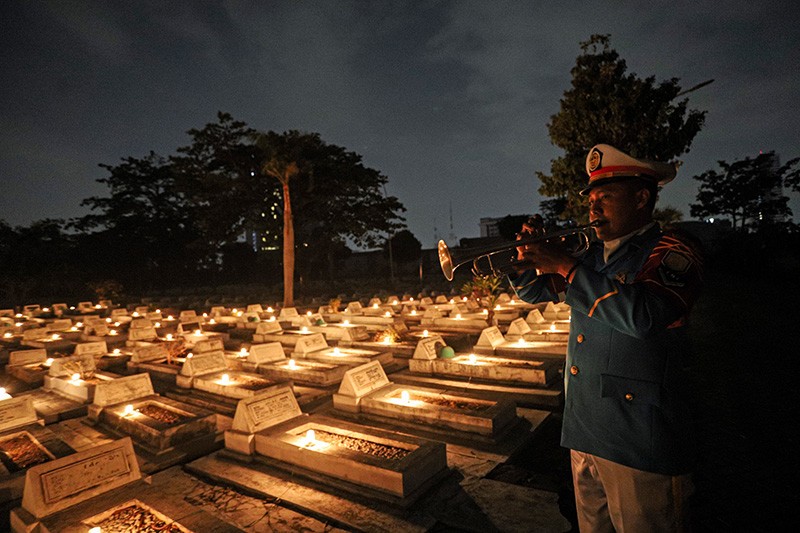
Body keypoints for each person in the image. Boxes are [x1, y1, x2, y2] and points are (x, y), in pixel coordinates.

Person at [511, 144, 703, 532]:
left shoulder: (672, 249)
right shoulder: (594, 258)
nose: (594, 208)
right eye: (592, 199)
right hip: (585, 430)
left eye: (606, 197)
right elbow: (533, 292)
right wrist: (526, 257)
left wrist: (566, 265)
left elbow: (644, 315)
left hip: (639, 439)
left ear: (641, 198)